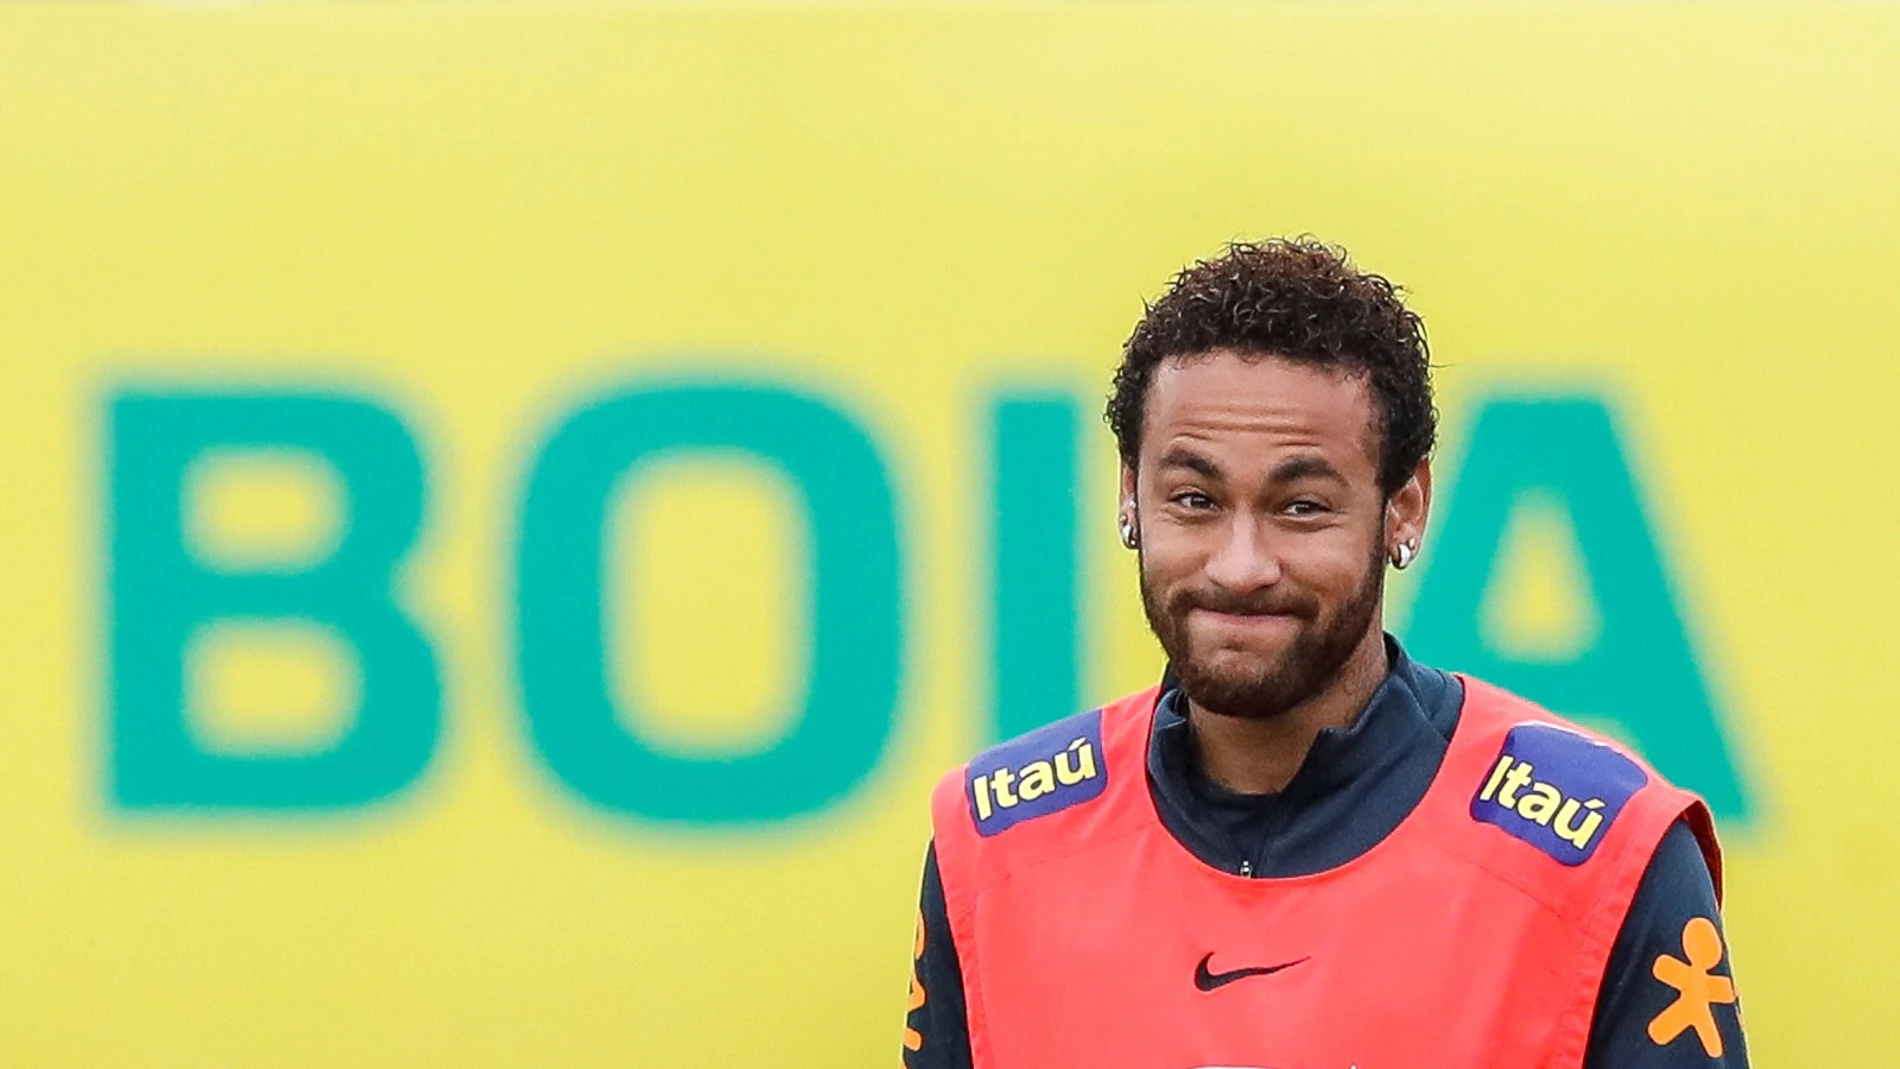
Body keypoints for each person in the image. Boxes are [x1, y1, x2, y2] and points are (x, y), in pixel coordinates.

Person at [902, 238, 1746, 1069]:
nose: (1240, 564)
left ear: (1404, 507)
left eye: (1301, 506)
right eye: (1193, 499)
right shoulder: (996, 848)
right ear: (1130, 495)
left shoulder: (1605, 854)